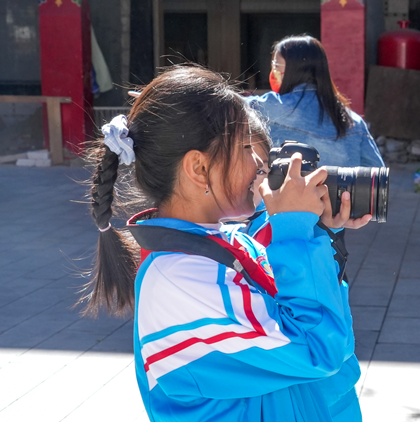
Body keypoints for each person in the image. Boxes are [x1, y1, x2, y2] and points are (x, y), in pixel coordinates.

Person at [79, 66, 365, 421]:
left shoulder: (229, 243)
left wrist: (315, 232)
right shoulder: (178, 279)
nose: (260, 162)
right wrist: (294, 230)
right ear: (199, 169)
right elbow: (318, 350)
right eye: (245, 146)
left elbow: (331, 337)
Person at [248, 35, 384, 168]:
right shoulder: (352, 122)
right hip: (340, 184)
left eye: (276, 66)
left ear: (291, 71)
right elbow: (377, 174)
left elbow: (236, 105)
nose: (273, 72)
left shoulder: (267, 107)